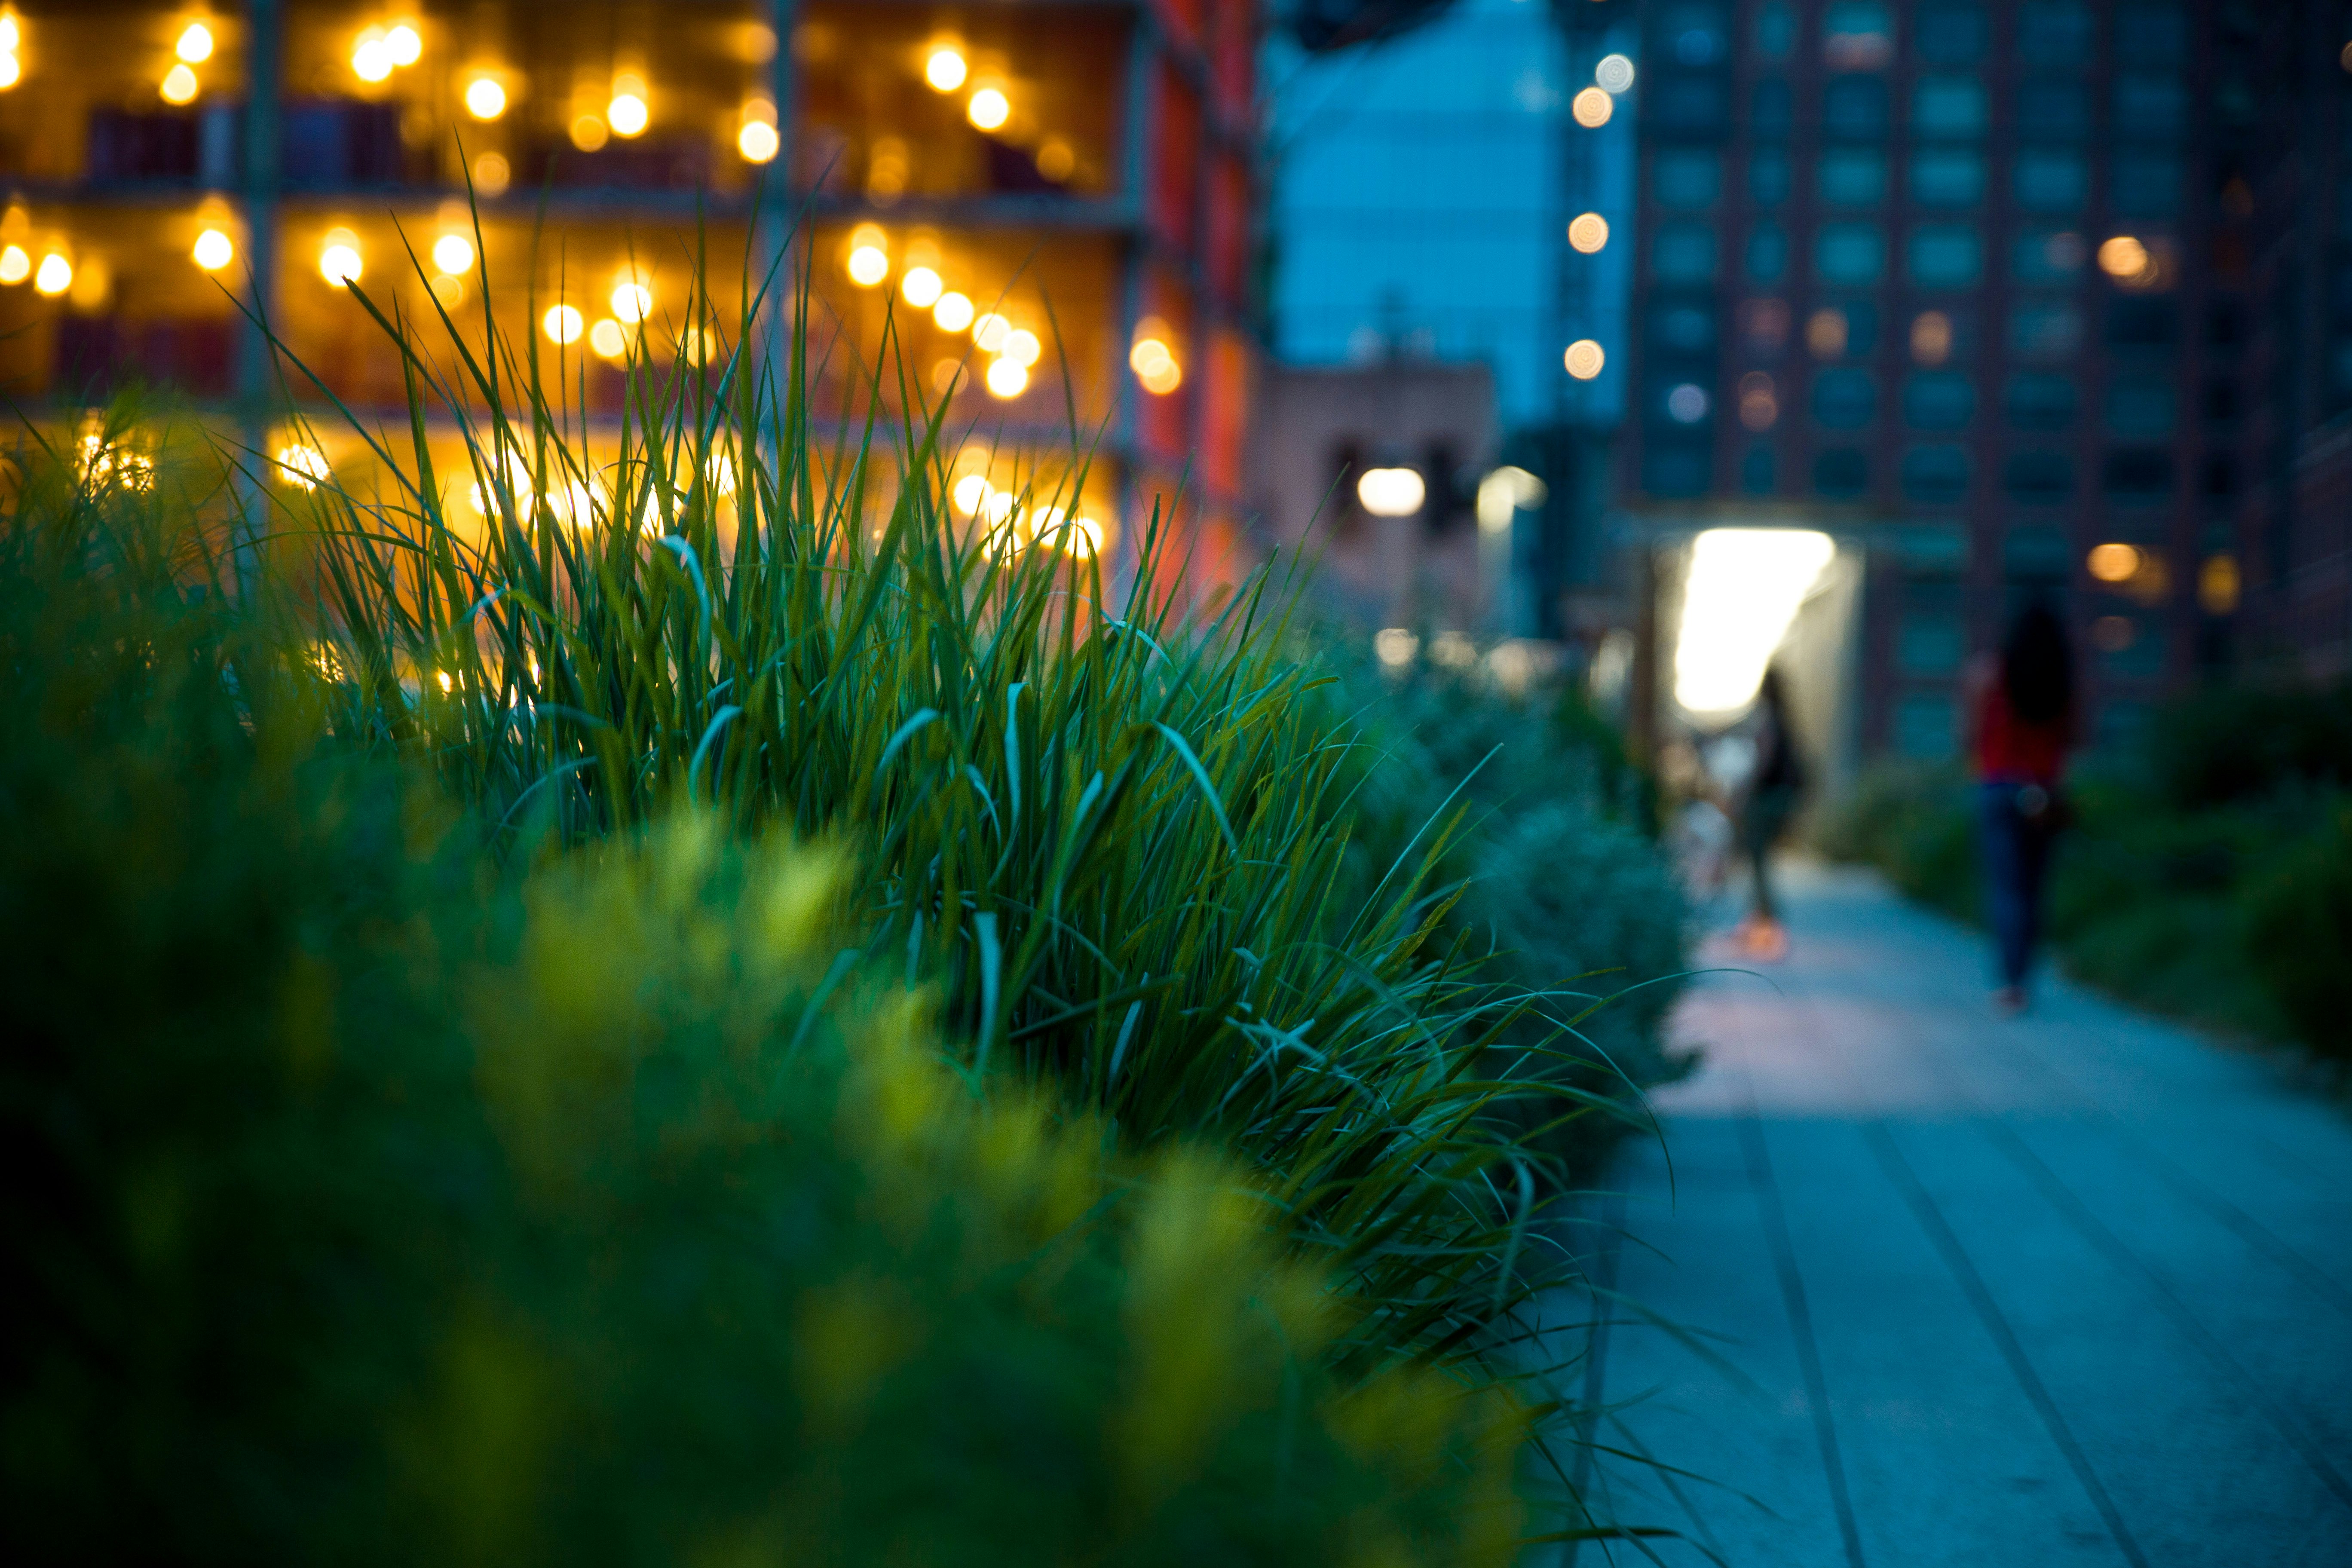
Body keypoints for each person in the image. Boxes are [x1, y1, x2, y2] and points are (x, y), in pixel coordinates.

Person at [1964, 602, 2078, 1014]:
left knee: (2006, 889)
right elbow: (2075, 738)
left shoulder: (1987, 674)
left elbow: (1971, 736)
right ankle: (2024, 979)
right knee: (2034, 891)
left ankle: (2010, 985)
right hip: (2045, 792)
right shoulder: (2063, 682)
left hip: (1998, 787)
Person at [1733, 667, 1805, 960]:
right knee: (1760, 863)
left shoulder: (1769, 721)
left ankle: (1766, 929)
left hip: (1765, 800)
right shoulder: (1784, 719)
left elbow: (1763, 763)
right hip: (1780, 799)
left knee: (1757, 862)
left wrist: (1743, 793)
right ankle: (1762, 926)